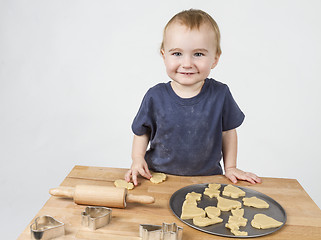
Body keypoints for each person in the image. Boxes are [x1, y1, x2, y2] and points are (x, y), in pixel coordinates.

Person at [125, 9, 261, 186]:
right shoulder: (155, 96)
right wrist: (137, 158)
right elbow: (142, 132)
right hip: (158, 179)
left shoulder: (220, 94)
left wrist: (231, 167)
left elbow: (228, 132)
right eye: (177, 54)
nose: (187, 64)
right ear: (164, 55)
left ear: (215, 59)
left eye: (198, 54)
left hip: (207, 181)